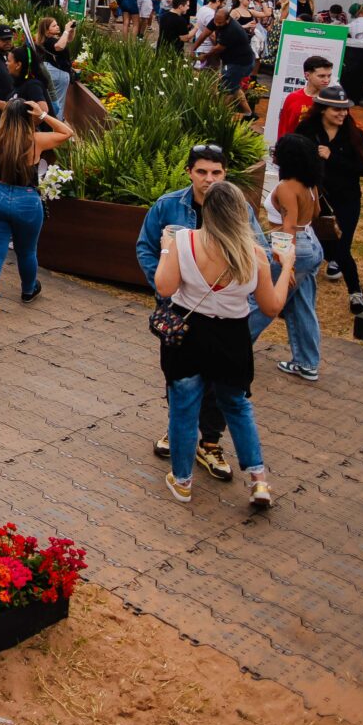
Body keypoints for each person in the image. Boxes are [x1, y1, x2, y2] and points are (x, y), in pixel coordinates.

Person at [153, 179, 292, 508]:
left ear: (208, 212)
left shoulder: (183, 241)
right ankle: (258, 481)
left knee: (184, 410)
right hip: (232, 338)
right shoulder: (253, 254)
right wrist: (285, 265)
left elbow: (165, 287)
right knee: (237, 406)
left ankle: (183, 481)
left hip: (188, 338)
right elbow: (272, 306)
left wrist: (165, 248)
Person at [136, 144, 266, 479]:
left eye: (216, 173)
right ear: (189, 172)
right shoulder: (168, 205)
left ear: (225, 174)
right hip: (179, 311)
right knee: (180, 379)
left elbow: (259, 251)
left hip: (226, 315)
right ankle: (180, 430)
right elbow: (145, 247)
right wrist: (165, 282)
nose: (209, 179)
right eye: (202, 172)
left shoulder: (238, 209)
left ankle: (209, 442)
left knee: (222, 384)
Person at [0, 99, 72, 316]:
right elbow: (66, 132)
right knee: (26, 251)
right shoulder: (36, 140)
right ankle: (28, 290)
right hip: (26, 199)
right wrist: (43, 115)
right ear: (28, 118)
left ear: (5, 116)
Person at [294, 85, 363, 316]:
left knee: (342, 247)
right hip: (314, 198)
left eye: (345, 110)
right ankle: (292, 292)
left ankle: (355, 291)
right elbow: (293, 157)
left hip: (347, 199)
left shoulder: (355, 135)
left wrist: (333, 156)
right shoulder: (306, 130)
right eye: (336, 110)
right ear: (322, 110)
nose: (342, 114)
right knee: (308, 247)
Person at [264, 133, 329, 382]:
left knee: (262, 302)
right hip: (311, 243)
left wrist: (286, 263)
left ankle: (234, 348)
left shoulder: (286, 187)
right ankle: (307, 362)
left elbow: (288, 227)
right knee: (303, 305)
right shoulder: (310, 183)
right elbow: (317, 211)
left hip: (293, 247)